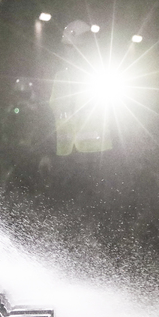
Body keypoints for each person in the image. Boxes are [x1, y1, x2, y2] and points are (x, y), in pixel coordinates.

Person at [49, 20, 113, 196]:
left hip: (98, 156)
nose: (71, 53)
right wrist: (47, 153)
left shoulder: (101, 76)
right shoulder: (59, 78)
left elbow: (119, 118)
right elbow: (50, 115)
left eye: (76, 48)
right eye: (68, 48)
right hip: (66, 157)